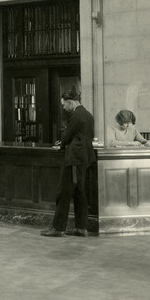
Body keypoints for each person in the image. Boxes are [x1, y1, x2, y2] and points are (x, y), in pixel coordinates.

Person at [41, 90, 96, 238]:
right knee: (79, 193)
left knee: (63, 192)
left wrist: (60, 145)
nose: (64, 108)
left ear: (70, 102)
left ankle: (58, 228)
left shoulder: (76, 115)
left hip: (74, 159)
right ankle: (81, 228)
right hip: (84, 158)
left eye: (64, 105)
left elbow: (67, 135)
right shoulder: (88, 114)